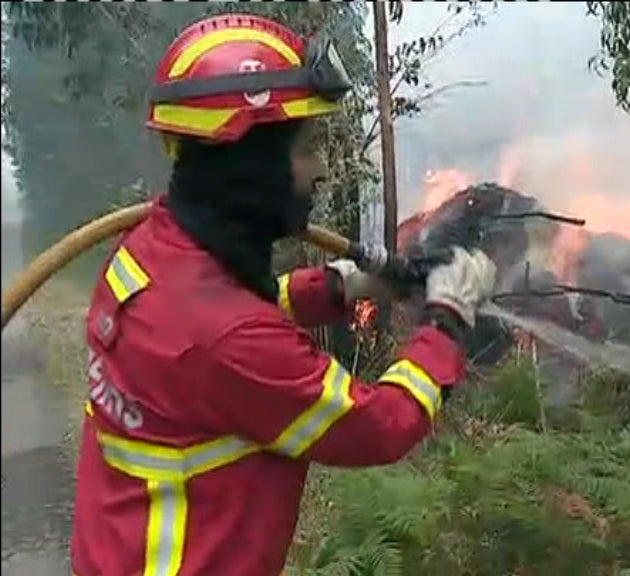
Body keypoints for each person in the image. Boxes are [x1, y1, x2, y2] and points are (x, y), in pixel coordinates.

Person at [70, 13, 496, 576]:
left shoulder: (148, 249)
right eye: (306, 148)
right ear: (249, 162)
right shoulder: (226, 340)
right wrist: (447, 320)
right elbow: (377, 426)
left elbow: (217, 325)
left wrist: (339, 286)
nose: (322, 170)